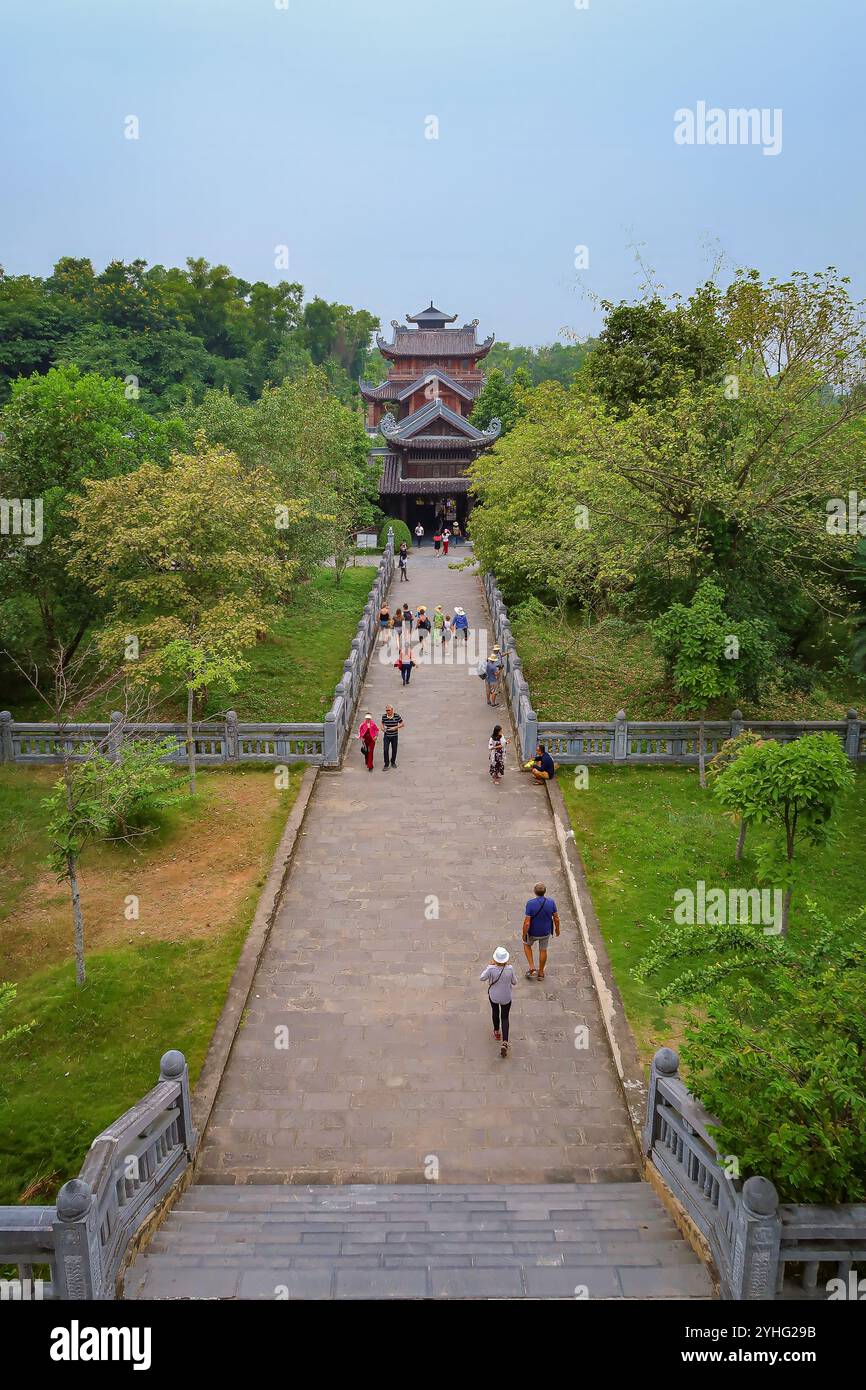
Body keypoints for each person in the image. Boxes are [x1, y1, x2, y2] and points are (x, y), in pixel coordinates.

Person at [479, 947, 516, 1058]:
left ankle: (496, 1032)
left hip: (494, 996)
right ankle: (505, 1041)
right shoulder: (510, 968)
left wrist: (489, 966)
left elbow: (482, 978)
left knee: (495, 1011)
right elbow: (515, 982)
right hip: (506, 997)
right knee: (505, 1017)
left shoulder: (491, 969)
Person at [522, 882, 560, 980]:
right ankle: (541, 972)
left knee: (526, 945)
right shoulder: (551, 902)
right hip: (545, 932)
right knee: (543, 950)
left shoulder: (530, 903)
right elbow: (556, 918)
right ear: (544, 892)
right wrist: (557, 930)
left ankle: (531, 967)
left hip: (533, 932)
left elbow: (527, 922)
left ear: (534, 891)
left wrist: (524, 934)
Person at [381, 704, 404, 769]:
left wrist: (395, 727)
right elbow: (382, 723)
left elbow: (402, 724)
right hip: (387, 735)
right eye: (386, 710)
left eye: (389, 710)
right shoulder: (384, 716)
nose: (387, 711)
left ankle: (393, 762)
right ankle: (386, 764)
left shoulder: (397, 716)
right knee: (385, 750)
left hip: (394, 736)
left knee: (394, 749)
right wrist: (382, 728)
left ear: (392, 710)